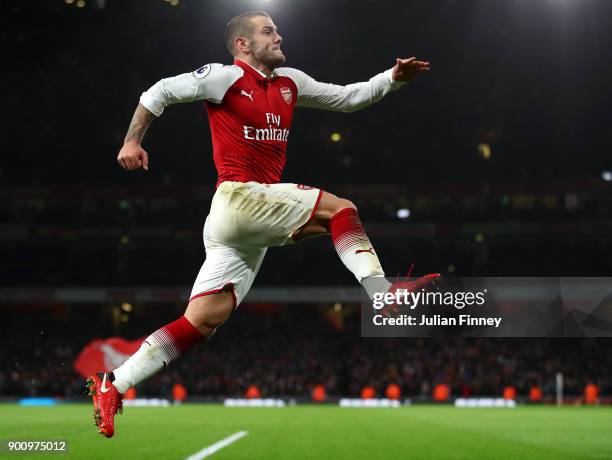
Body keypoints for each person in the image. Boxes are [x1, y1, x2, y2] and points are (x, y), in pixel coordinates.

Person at [86, 10, 438, 438]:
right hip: (239, 197)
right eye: (268, 31)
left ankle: (113, 384)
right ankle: (381, 294)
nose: (279, 35)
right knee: (340, 209)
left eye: (276, 29)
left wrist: (392, 78)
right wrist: (132, 139)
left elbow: (349, 97)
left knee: (201, 321)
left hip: (238, 224)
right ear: (243, 45)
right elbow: (158, 92)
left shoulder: (290, 83)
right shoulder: (222, 77)